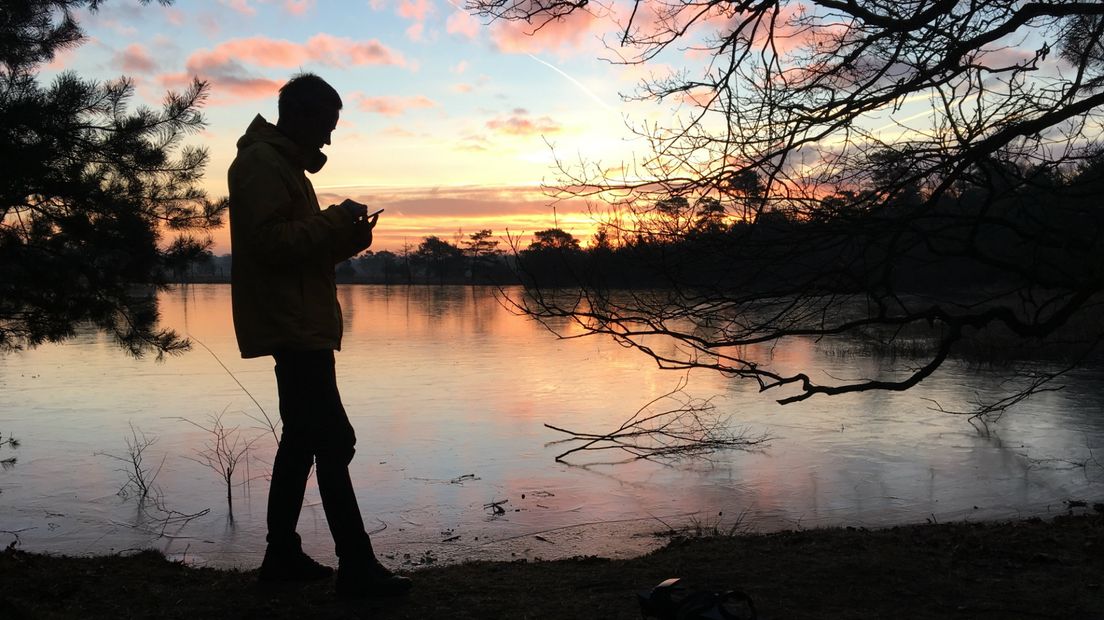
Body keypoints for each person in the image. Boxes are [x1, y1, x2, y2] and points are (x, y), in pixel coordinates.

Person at [227, 73, 411, 597]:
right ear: (302, 116)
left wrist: (348, 239)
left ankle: (281, 555)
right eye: (326, 126)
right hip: (293, 326)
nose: (329, 139)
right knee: (334, 439)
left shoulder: (285, 168)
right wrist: (333, 222)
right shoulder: (261, 165)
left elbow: (302, 254)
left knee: (303, 439)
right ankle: (356, 568)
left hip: (302, 322)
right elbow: (269, 245)